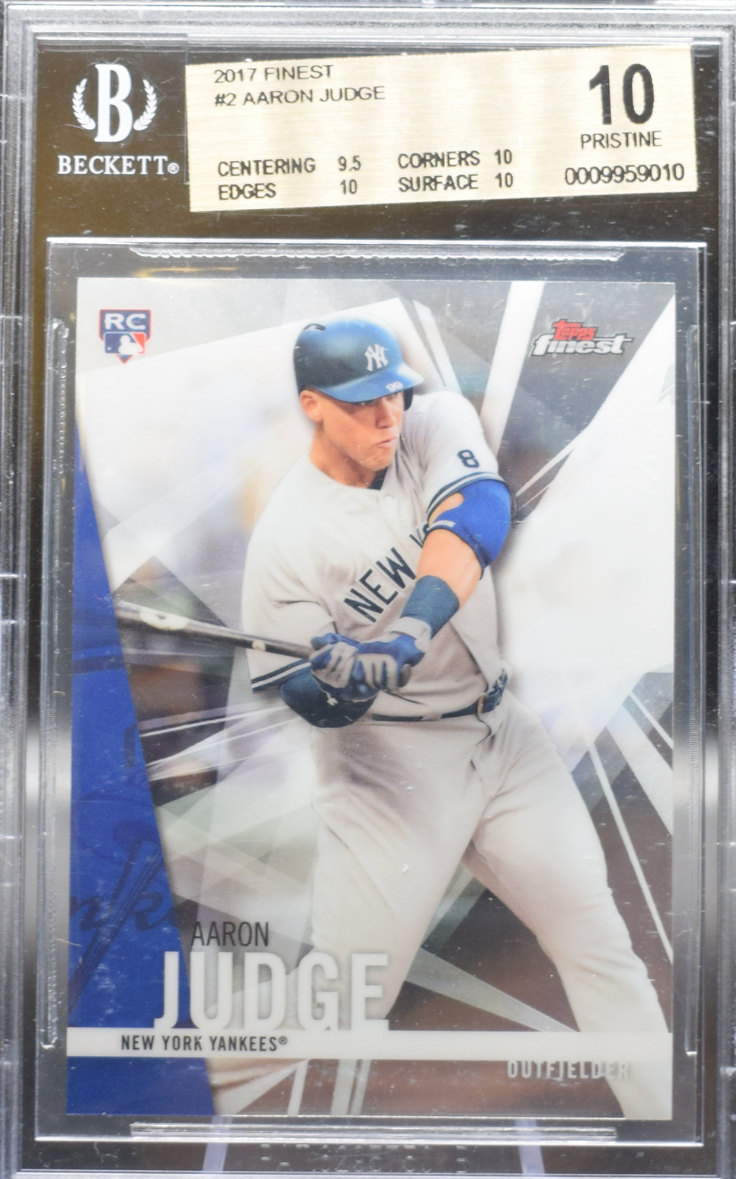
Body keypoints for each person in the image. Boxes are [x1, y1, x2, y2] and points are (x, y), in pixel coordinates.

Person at [241, 311, 671, 1119]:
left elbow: (476, 517)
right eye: (361, 402)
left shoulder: (432, 419)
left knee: (600, 946)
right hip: (391, 773)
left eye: (392, 393)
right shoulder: (285, 539)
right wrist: (340, 684)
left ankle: (670, 1126)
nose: (386, 416)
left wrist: (405, 631)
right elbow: (302, 694)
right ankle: (181, 1110)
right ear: (313, 405)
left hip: (503, 738)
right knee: (340, 1006)